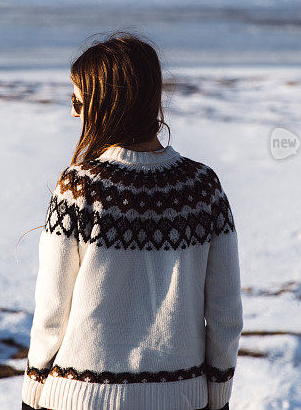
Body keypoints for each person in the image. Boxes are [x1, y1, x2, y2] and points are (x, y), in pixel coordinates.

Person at [21, 32, 243, 410]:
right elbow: (225, 312)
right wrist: (217, 394)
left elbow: (52, 309)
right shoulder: (202, 187)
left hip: (79, 397)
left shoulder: (80, 188)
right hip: (180, 397)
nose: (75, 113)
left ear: (107, 103)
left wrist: (34, 389)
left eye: (78, 101)